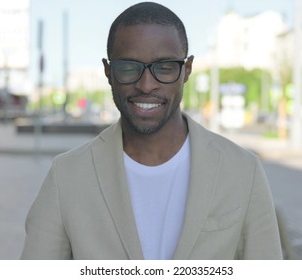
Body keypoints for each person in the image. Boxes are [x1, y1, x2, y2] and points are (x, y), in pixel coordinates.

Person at [21, 1, 282, 260]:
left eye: (165, 68)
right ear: (109, 72)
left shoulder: (243, 171)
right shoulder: (67, 175)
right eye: (128, 67)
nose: (146, 85)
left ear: (187, 70)